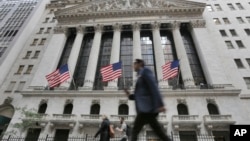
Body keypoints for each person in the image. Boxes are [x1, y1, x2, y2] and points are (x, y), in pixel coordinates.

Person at [124, 59, 172, 141]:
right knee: (159, 132)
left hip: (147, 108)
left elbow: (154, 87)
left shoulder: (145, 71)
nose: (133, 66)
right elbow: (140, 94)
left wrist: (160, 104)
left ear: (140, 64)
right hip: (145, 110)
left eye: (135, 64)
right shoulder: (140, 75)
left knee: (135, 131)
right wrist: (129, 95)